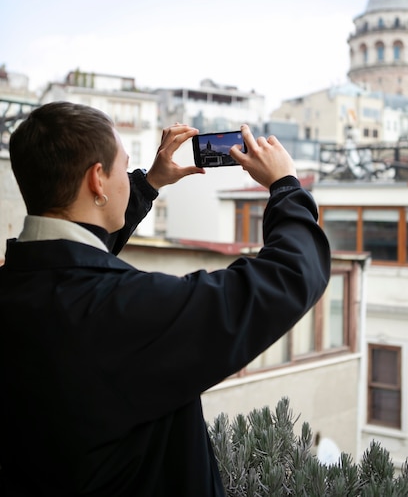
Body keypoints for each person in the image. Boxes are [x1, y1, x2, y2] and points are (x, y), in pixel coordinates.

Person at [0, 101, 331, 497]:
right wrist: (286, 186)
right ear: (97, 181)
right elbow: (290, 278)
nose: (129, 175)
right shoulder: (124, 311)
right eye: (124, 167)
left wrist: (147, 184)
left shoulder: (20, 283)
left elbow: (74, 261)